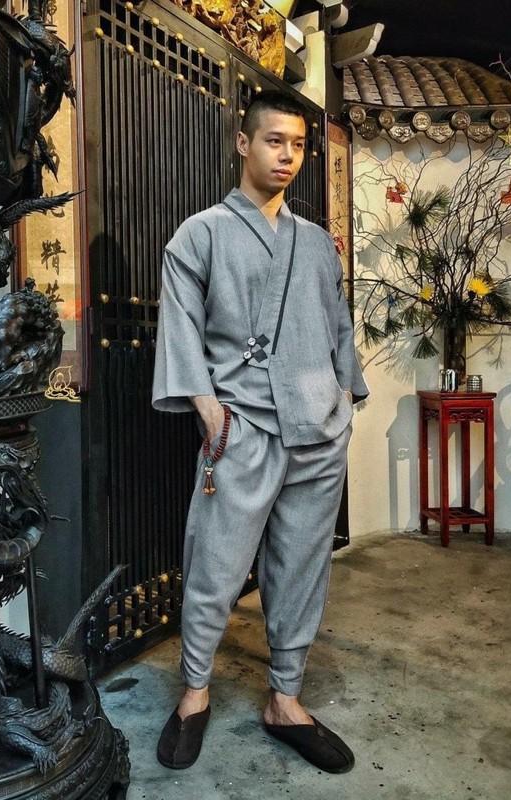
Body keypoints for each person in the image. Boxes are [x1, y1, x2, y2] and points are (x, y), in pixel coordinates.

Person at [151, 89, 370, 773]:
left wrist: (346, 397)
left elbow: (338, 326)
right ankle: (194, 693)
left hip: (317, 428)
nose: (288, 156)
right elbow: (180, 326)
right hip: (242, 425)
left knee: (301, 567)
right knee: (216, 565)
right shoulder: (200, 234)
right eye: (275, 141)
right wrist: (208, 408)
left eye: (298, 145)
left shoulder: (315, 242)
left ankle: (286, 698)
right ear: (243, 143)